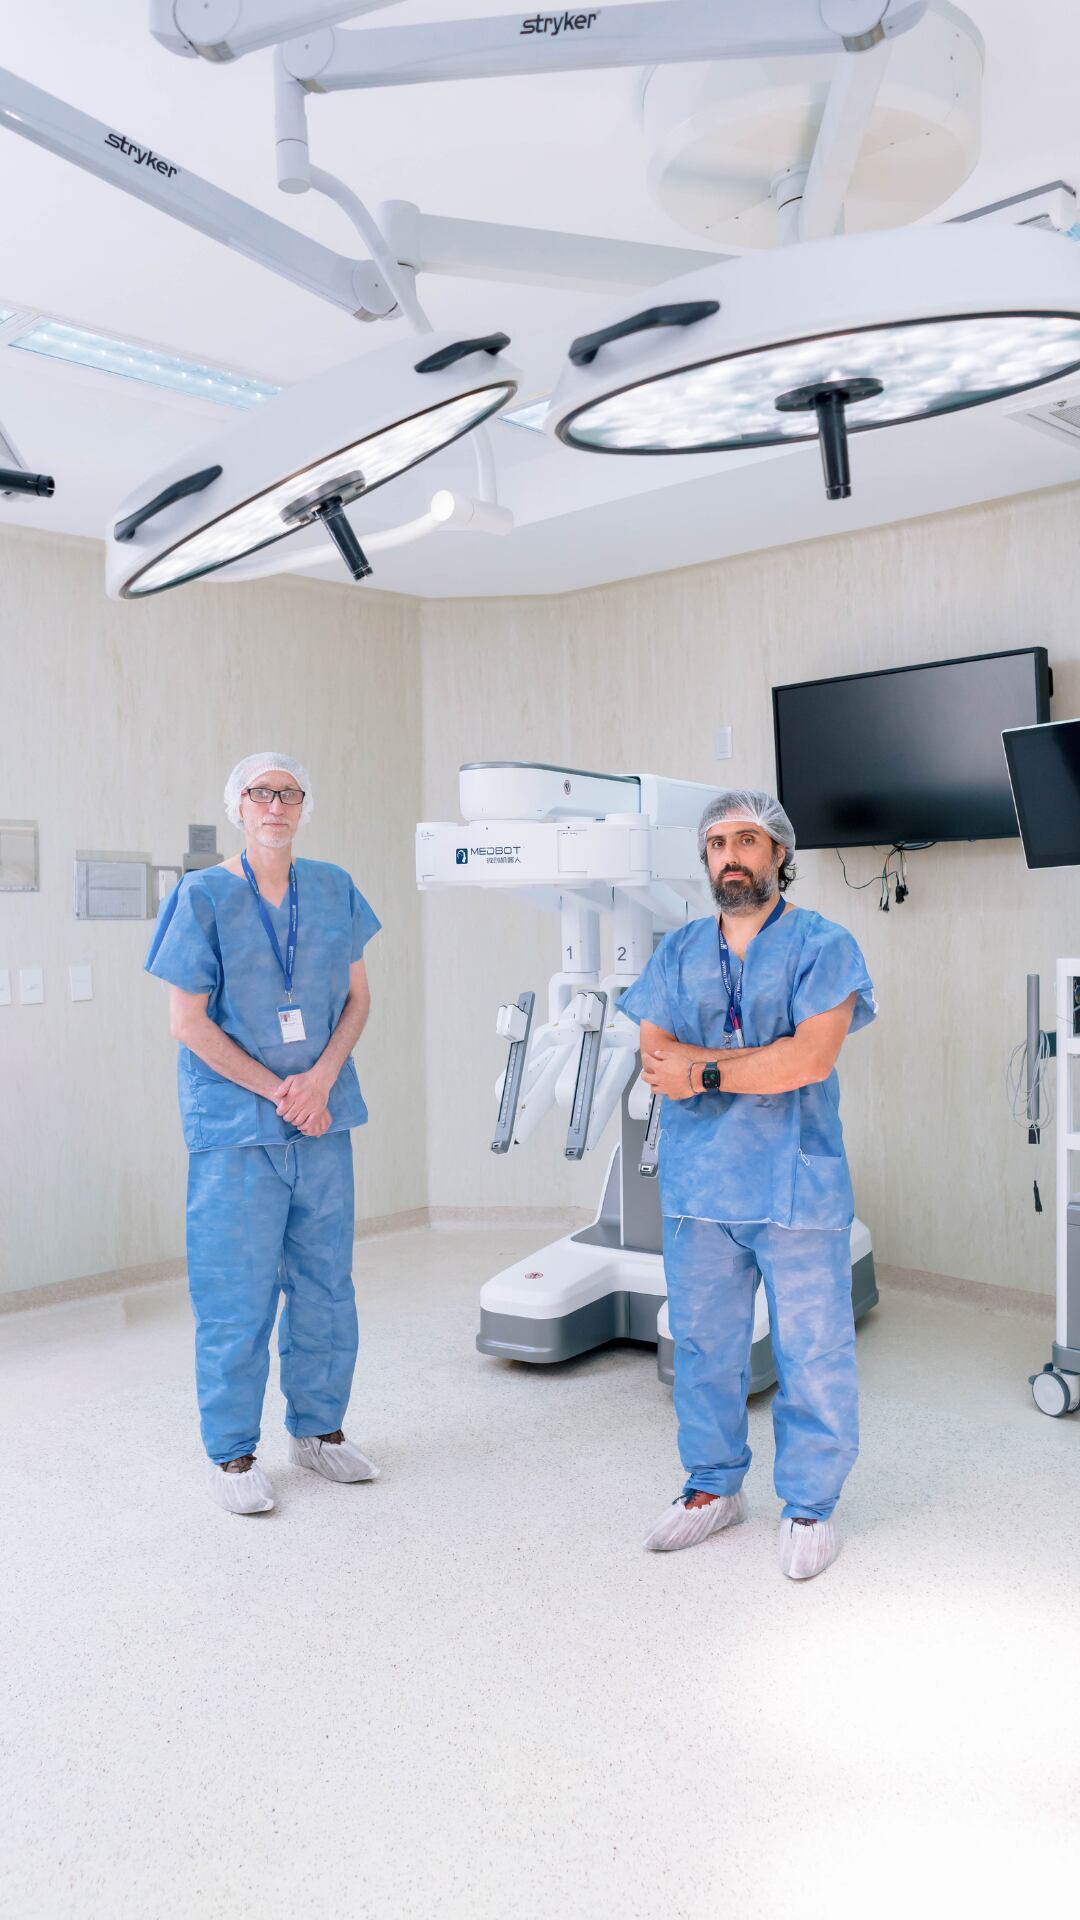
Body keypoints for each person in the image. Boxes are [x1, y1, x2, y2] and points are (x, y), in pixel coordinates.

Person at [618, 789, 876, 1581]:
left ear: (778, 856)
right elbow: (654, 1058)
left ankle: (809, 1504)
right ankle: (713, 1487)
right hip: (701, 1187)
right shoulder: (679, 950)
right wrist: (734, 1066)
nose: (732, 855)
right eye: (719, 843)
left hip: (794, 1183)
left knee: (812, 1348)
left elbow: (809, 1060)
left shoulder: (823, 945)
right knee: (703, 1347)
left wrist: (705, 1069)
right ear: (705, 859)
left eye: (749, 841)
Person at [145, 752, 381, 1515]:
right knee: (235, 1294)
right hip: (238, 1126)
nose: (275, 804)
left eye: (289, 793)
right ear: (237, 807)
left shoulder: (334, 888)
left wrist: (317, 1083)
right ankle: (234, 1454)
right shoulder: (203, 896)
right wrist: (281, 1091)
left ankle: (320, 1434)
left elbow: (356, 1002)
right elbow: (188, 1023)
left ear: (304, 807)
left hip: (321, 1117)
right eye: (260, 793)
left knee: (325, 1287)